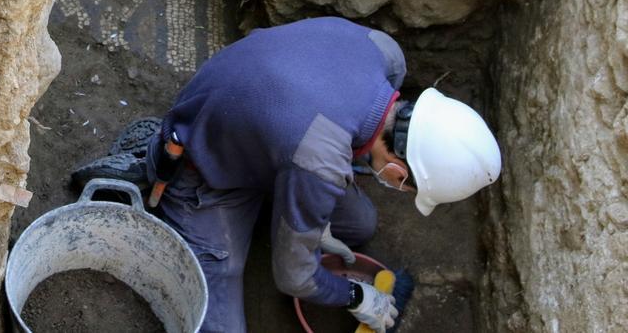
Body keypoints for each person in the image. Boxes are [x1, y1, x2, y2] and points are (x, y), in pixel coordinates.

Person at [96, 17, 502, 333]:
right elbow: (294, 278)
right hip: (203, 167)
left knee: (358, 224)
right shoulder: (319, 162)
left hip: (262, 121)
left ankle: (282, 199)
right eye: (404, 186)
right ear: (397, 171)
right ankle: (156, 172)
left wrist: (312, 208)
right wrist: (355, 295)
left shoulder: (385, 53)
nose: (397, 187)